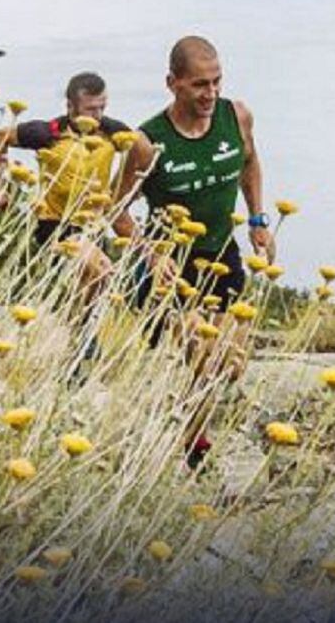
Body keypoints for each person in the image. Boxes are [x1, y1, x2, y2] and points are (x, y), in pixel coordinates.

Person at [112, 36, 273, 466]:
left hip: (221, 257)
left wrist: (258, 219)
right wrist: (150, 254)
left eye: (217, 81)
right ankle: (190, 447)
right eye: (200, 84)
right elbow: (117, 210)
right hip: (168, 268)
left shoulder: (235, 115)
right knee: (206, 353)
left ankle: (184, 427)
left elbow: (249, 163)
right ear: (173, 83)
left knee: (230, 365)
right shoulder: (148, 141)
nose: (211, 93)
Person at [0, 72, 129, 293]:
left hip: (94, 227)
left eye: (102, 107)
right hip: (55, 224)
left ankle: (76, 326)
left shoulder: (113, 132)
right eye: (91, 109)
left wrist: (126, 192)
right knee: (100, 268)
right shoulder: (48, 133)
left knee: (95, 289)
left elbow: (143, 153)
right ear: (71, 107)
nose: (98, 115)